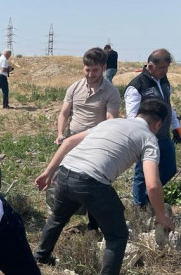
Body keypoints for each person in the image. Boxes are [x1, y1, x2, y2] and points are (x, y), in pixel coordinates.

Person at [34, 99, 175, 275]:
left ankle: (41, 256)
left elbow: (68, 142)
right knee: (117, 235)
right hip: (91, 181)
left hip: (65, 173)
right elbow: (153, 185)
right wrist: (161, 215)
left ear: (136, 113)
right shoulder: (148, 139)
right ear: (158, 124)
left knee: (58, 216)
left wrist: (49, 171)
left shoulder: (111, 123)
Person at [35, 47, 120, 241]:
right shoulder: (75, 87)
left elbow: (111, 119)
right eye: (87, 70)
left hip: (95, 143)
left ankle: (93, 225)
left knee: (94, 183)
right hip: (71, 139)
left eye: (95, 70)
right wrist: (60, 133)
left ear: (104, 68)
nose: (90, 74)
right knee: (62, 179)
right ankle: (59, 219)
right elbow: (64, 113)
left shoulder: (111, 92)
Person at [124, 49, 181, 207]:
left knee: (169, 169)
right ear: (150, 66)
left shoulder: (163, 81)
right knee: (143, 174)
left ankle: (150, 195)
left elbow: (168, 105)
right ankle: (140, 204)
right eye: (162, 68)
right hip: (147, 138)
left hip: (163, 136)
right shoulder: (137, 86)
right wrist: (140, 136)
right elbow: (132, 116)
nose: (165, 71)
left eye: (167, 68)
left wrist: (175, 125)